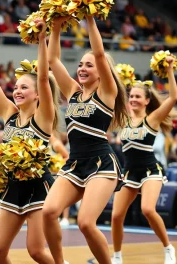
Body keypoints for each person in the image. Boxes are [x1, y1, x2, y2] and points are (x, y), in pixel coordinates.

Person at [42, 15, 128, 264]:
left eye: (88, 65)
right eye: (80, 64)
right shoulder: (73, 92)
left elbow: (101, 55)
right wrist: (55, 28)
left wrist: (89, 18)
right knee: (48, 211)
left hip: (101, 162)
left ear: (101, 72)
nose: (82, 68)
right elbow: (53, 59)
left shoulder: (107, 92)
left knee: (85, 223)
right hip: (75, 163)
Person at [0, 19, 59, 264]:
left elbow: (43, 78)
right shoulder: (10, 115)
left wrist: (42, 39)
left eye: (24, 87)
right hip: (13, 189)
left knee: (37, 251)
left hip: (39, 188)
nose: (17, 91)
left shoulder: (43, 118)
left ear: (38, 94)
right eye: (16, 87)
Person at [111, 58, 177, 264]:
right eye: (131, 96)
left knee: (148, 209)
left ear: (147, 101)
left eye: (138, 97)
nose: (133, 99)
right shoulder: (124, 118)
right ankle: (117, 256)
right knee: (115, 216)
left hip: (150, 170)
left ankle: (168, 248)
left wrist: (169, 70)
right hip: (129, 172)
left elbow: (173, 97)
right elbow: (111, 92)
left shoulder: (153, 119)